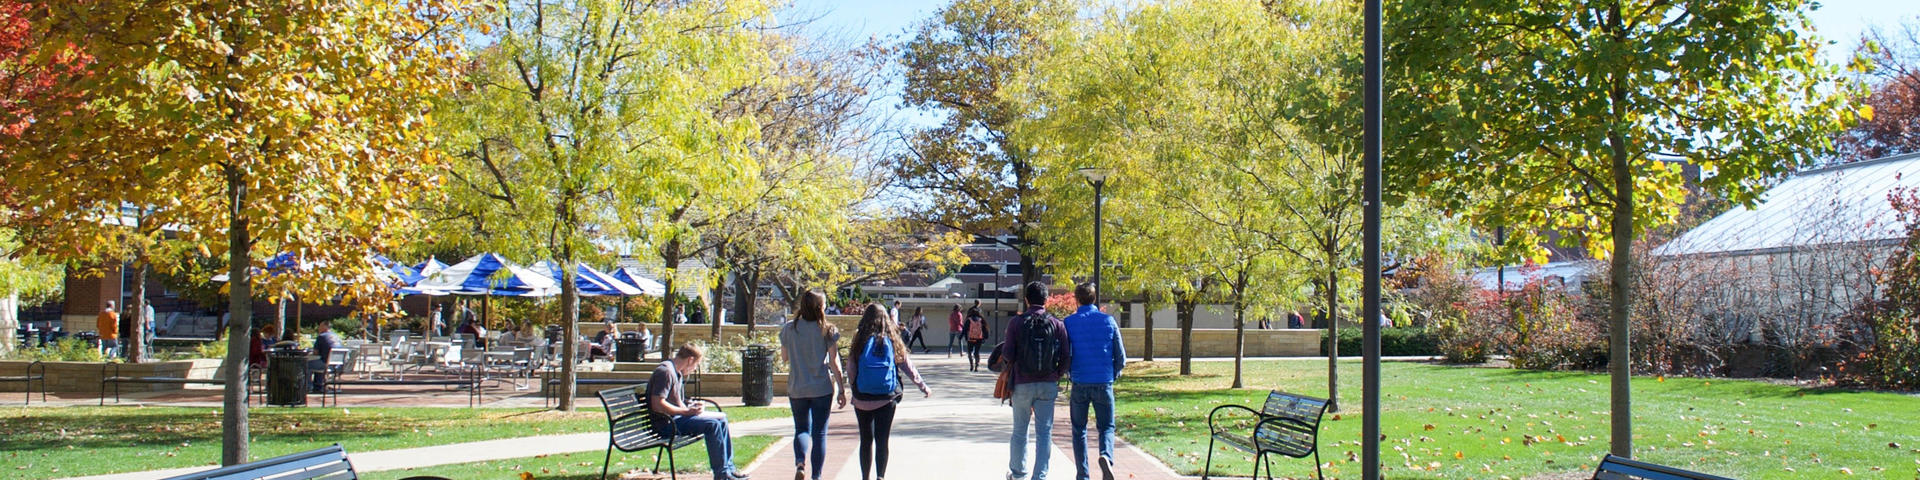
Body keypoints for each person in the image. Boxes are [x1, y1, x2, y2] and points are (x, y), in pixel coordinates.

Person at [843, 304, 932, 480]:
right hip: (886, 397)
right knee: (882, 440)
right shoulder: (892, 338)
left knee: (866, 440)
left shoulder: (860, 338)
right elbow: (908, 366)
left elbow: (851, 367)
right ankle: (881, 476)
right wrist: (923, 386)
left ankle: (865, 477)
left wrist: (854, 386)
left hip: (863, 397)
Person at [995, 282, 1070, 480]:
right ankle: (1040, 476)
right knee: (1044, 432)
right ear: (1046, 300)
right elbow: (1065, 355)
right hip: (1047, 383)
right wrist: (1057, 374)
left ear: (1026, 299)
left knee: (1020, 430)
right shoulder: (1057, 323)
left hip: (1022, 383)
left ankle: (1018, 474)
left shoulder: (1016, 323)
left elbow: (1008, 354)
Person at [649, 343, 750, 480]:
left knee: (721, 420)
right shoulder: (665, 372)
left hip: (675, 419)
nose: (694, 369)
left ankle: (729, 469)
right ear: (690, 360)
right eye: (696, 365)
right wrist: (686, 412)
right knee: (712, 424)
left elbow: (675, 401)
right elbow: (657, 404)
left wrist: (691, 406)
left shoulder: (675, 372)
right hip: (666, 424)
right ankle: (722, 474)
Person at [779, 291, 847, 480]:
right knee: (819, 433)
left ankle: (800, 463)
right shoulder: (828, 330)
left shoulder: (789, 329)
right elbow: (834, 362)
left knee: (801, 428)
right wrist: (841, 389)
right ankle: (816, 476)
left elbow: (784, 358)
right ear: (820, 307)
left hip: (797, 387)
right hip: (821, 389)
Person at [1062, 284, 1126, 480]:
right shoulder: (1108, 321)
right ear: (1094, 298)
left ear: (1076, 299)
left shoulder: (1069, 322)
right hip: (1103, 381)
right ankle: (1106, 455)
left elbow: (1065, 354)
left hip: (1080, 381)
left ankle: (1083, 474)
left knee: (1078, 429)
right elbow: (1120, 356)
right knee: (1106, 426)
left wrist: (1069, 372)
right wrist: (1114, 373)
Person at [308, 321, 342, 391]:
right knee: (319, 362)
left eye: (320, 326)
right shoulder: (336, 336)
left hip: (326, 364)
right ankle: (318, 385)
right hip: (337, 365)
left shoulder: (321, 336)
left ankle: (308, 386)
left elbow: (315, 353)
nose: (319, 328)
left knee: (305, 365)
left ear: (325, 327)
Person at [965, 302, 989, 372]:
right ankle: (976, 366)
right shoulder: (981, 320)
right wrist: (985, 337)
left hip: (971, 338)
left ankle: (971, 365)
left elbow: (965, 329)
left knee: (969, 352)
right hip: (979, 338)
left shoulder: (969, 319)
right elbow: (985, 329)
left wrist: (965, 337)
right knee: (977, 352)